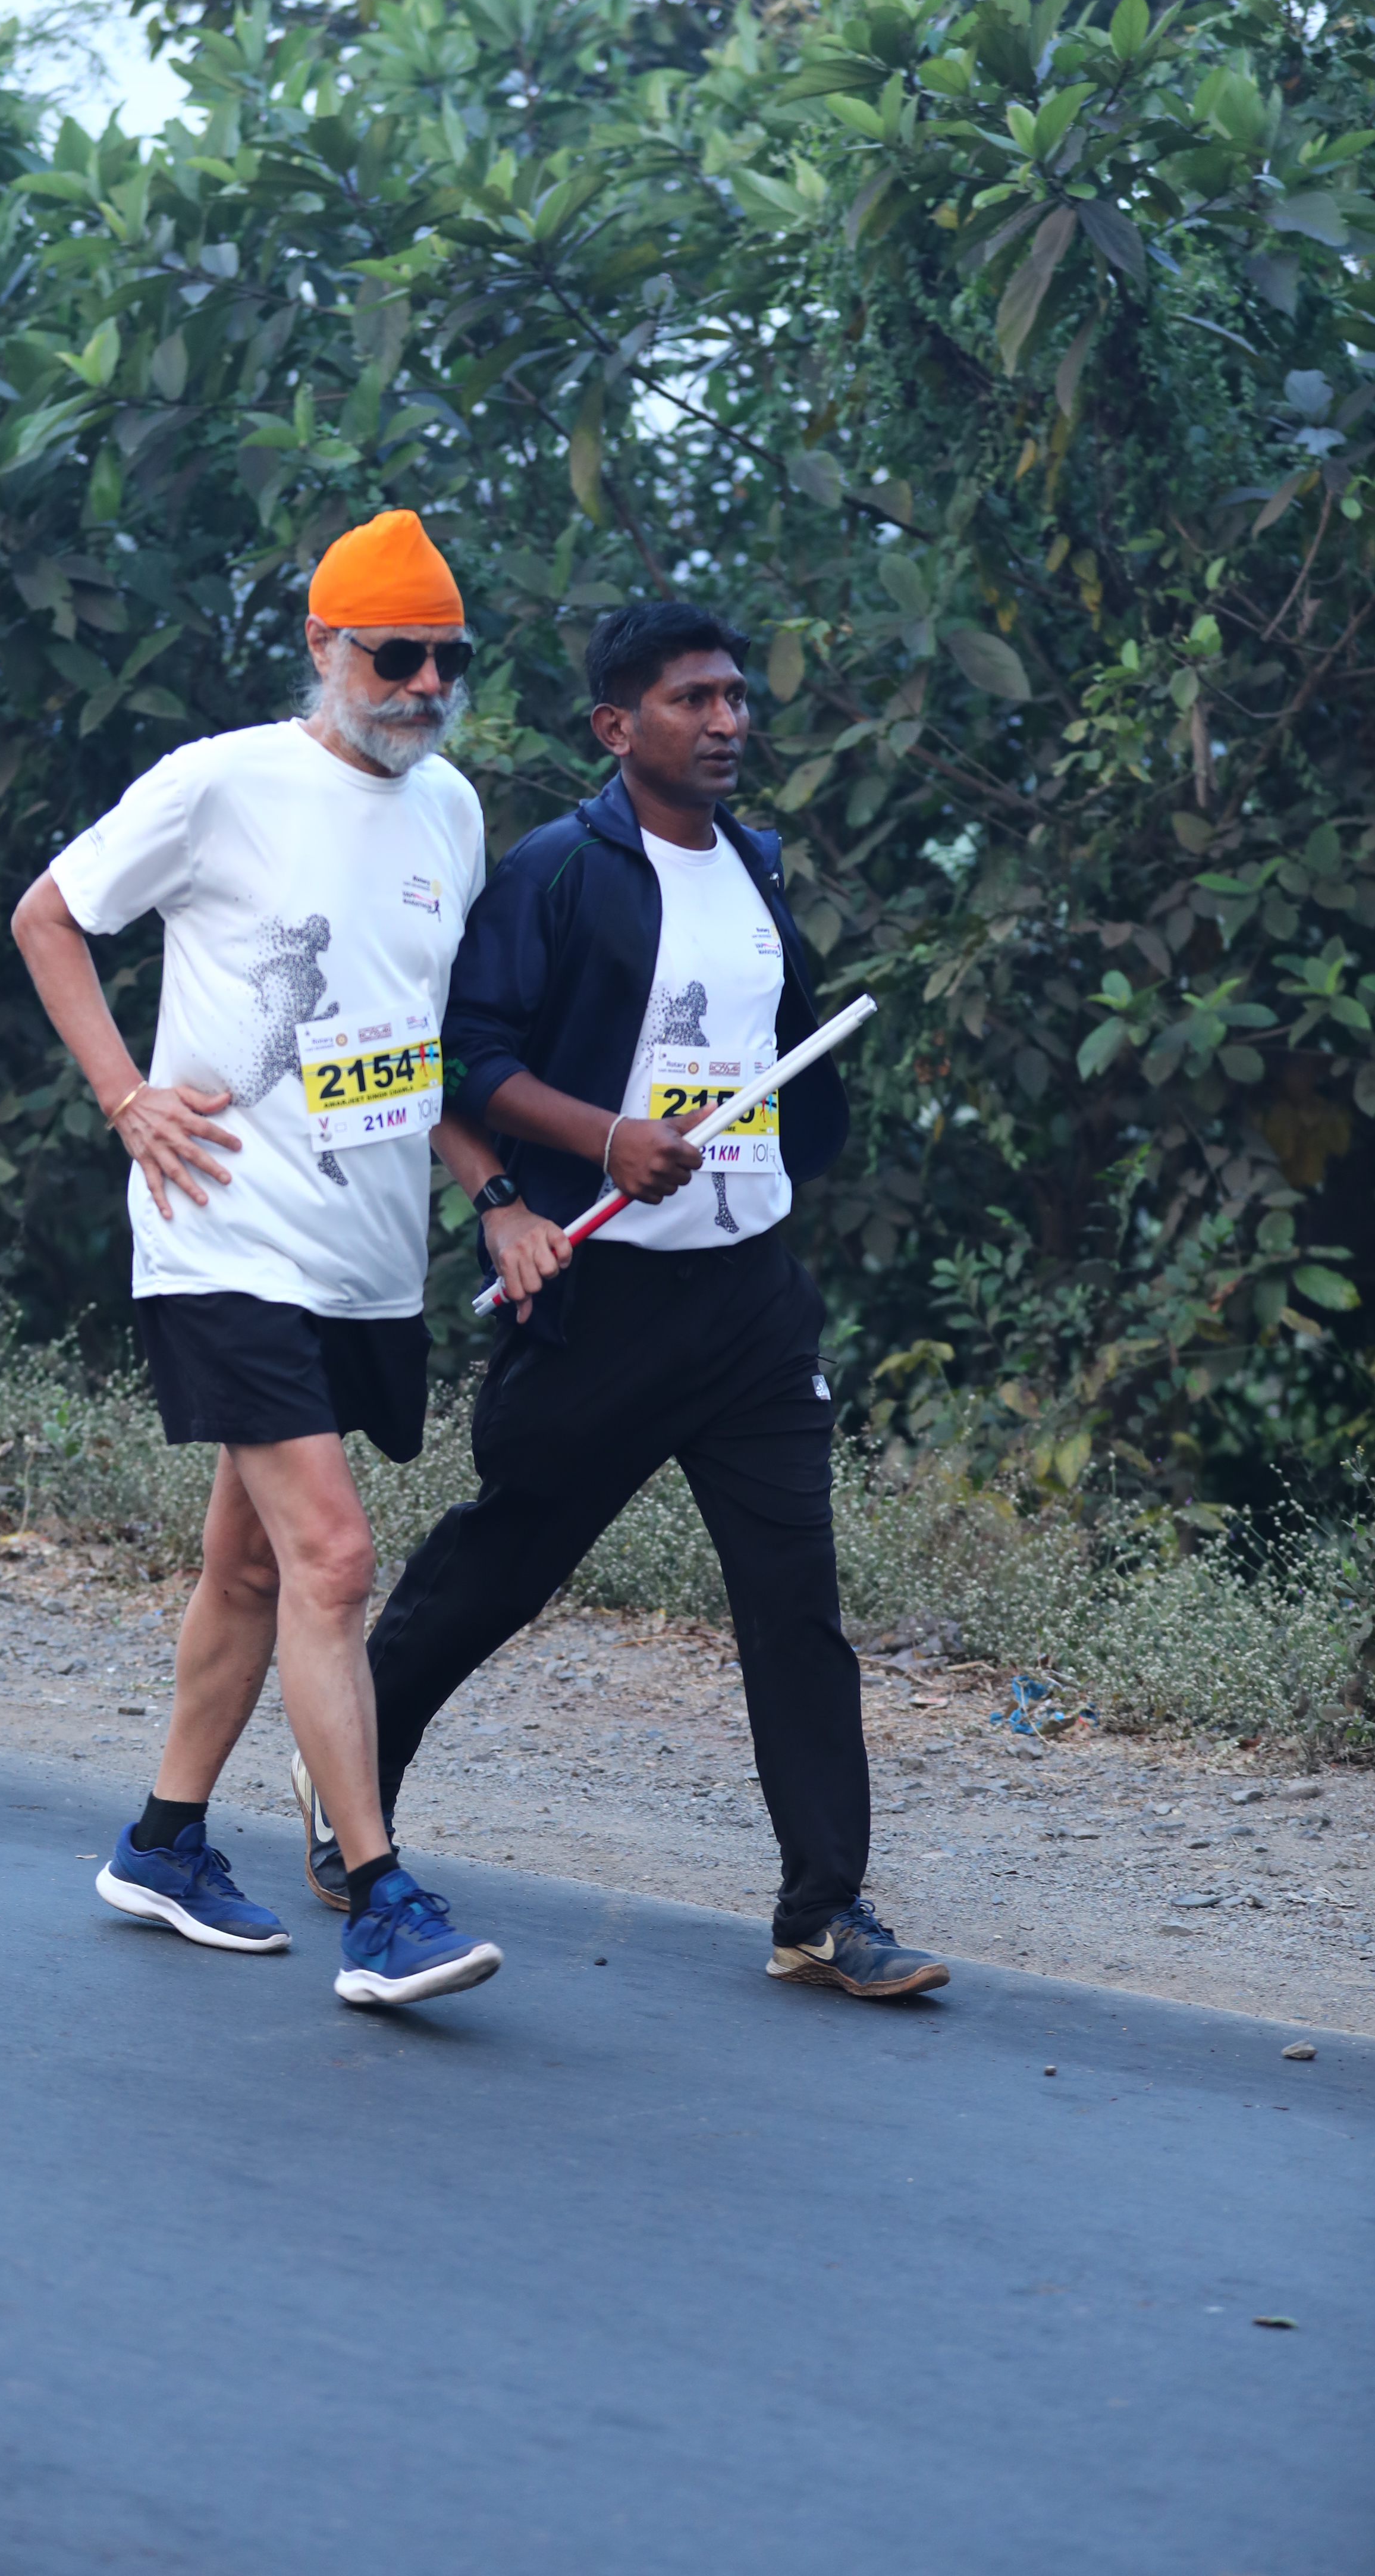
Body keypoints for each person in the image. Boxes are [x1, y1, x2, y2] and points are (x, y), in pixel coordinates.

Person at [291, 601, 949, 2001]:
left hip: (751, 1303)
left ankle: (823, 1911)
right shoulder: (559, 872)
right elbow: (465, 1055)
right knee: (504, 1565)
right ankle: (349, 1786)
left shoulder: (757, 865)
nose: (727, 721)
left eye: (734, 698)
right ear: (615, 726)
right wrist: (601, 1143)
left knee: (796, 1604)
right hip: (606, 1298)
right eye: (692, 700)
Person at [11, 507, 514, 2010]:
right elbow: (50, 915)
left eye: (449, 659)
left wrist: (491, 1190)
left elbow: (417, 1045)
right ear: (323, 646)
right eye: (396, 656)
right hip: (222, 1232)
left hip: (362, 1255)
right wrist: (126, 1099)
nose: (424, 685)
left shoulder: (454, 813)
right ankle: (381, 1897)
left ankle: (164, 1843)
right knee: (336, 1559)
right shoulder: (223, 781)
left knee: (247, 1563)